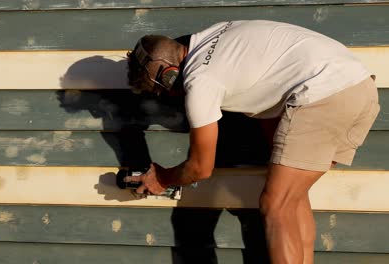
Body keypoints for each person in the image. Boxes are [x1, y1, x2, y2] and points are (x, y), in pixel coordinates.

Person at [123, 20, 380, 264]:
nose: (171, 95)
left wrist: (163, 178)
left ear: (170, 74)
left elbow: (201, 168)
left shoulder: (200, 80)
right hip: (359, 88)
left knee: (275, 205)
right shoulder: (217, 34)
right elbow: (269, 98)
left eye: (164, 88)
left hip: (322, 93)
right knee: (292, 198)